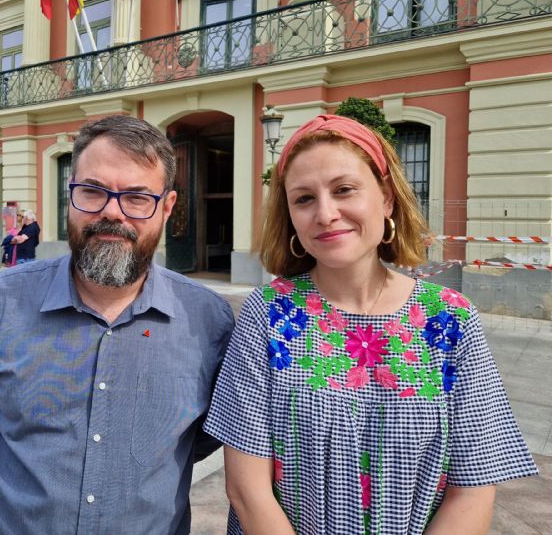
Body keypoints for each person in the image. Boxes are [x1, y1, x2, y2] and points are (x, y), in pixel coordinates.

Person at [204, 114, 538, 534]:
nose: (325, 213)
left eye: (344, 190)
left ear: (386, 199)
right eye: (303, 199)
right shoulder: (268, 313)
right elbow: (246, 489)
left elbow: (472, 488)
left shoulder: (451, 319)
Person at [0, 114, 235, 534]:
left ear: (167, 207)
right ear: (70, 194)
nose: (112, 212)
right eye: (92, 191)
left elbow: (200, 440)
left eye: (137, 197)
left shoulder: (209, 321)